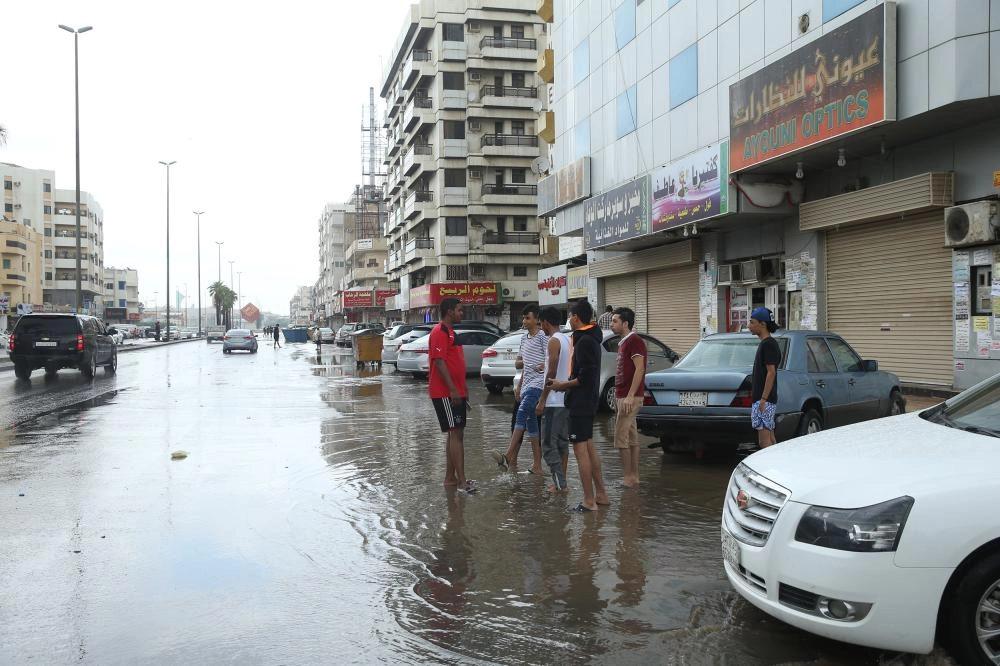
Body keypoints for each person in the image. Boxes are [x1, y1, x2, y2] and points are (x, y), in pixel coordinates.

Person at [547, 299, 607, 512]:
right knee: (589, 447)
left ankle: (589, 501)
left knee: (580, 450)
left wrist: (563, 384)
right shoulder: (589, 338)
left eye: (570, 316)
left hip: (581, 403)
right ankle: (600, 494)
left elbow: (586, 377)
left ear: (575, 317)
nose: (569, 321)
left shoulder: (585, 341)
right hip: (586, 401)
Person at [492, 304, 548, 475]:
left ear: (537, 319)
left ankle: (508, 456)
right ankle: (537, 466)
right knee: (531, 424)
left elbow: (552, 359)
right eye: (523, 318)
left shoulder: (543, 337)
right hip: (526, 384)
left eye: (528, 318)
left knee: (522, 413)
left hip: (538, 384)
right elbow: (519, 363)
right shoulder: (524, 339)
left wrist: (542, 365)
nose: (524, 321)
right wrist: (519, 386)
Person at [429, 297, 475, 494]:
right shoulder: (439, 332)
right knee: (455, 433)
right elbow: (439, 362)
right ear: (449, 311)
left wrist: (463, 389)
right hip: (445, 393)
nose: (461, 313)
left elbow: (456, 362)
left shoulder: (451, 333)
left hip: (456, 392)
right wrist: (453, 390)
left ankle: (450, 478)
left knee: (456, 433)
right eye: (459, 310)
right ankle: (462, 481)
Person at [535, 306, 571, 493]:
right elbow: (557, 365)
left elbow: (552, 372)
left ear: (547, 322)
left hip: (553, 401)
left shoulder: (553, 341)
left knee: (548, 446)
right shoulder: (566, 339)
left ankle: (559, 485)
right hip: (565, 400)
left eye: (541, 324)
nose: (541, 328)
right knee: (562, 444)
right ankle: (561, 483)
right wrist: (545, 364)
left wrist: (542, 400)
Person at [610, 307, 647, 488]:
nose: (612, 324)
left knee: (620, 437)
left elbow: (640, 368)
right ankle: (634, 478)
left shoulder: (635, 341)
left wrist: (630, 396)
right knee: (631, 437)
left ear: (625, 323)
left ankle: (627, 478)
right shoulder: (624, 342)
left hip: (628, 397)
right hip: (622, 395)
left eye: (615, 321)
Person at [748, 306, 781, 448]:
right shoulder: (766, 344)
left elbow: (771, 372)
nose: (749, 326)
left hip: (764, 401)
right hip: (763, 400)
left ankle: (768, 469)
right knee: (771, 439)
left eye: (752, 322)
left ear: (763, 324)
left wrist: (763, 399)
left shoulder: (768, 344)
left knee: (764, 442)